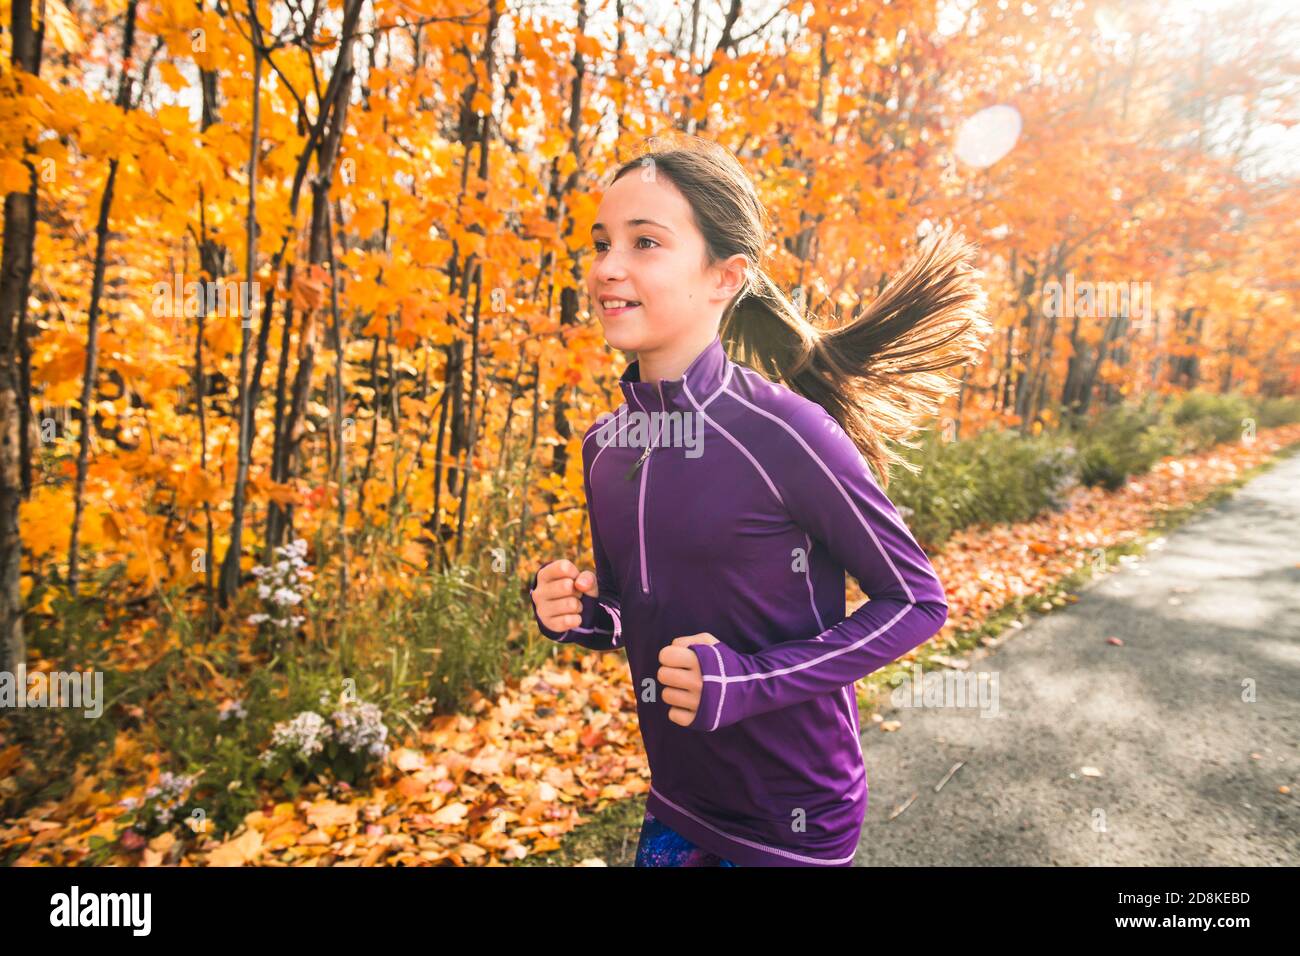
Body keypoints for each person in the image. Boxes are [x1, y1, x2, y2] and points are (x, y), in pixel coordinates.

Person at [529, 134, 991, 867]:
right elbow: (634, 606)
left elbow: (917, 603)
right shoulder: (605, 444)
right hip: (678, 798)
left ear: (724, 277)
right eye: (601, 243)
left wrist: (747, 682)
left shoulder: (786, 433)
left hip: (792, 815)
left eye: (645, 242)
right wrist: (586, 616)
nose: (607, 268)